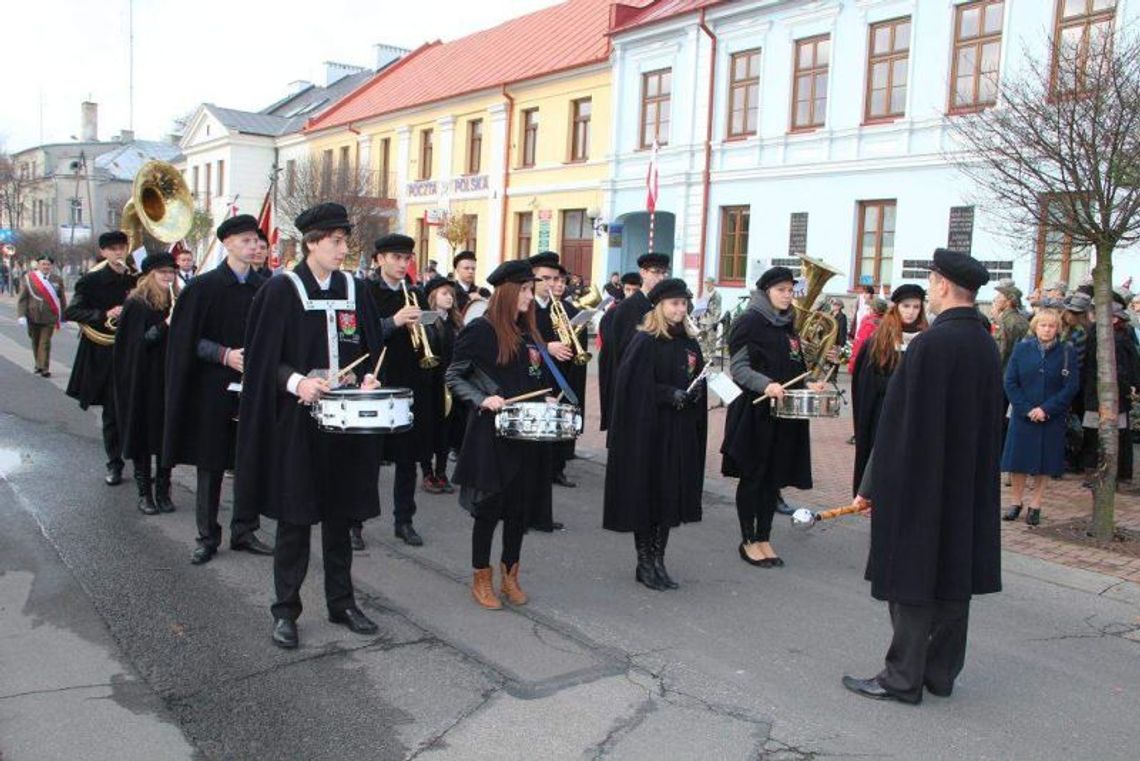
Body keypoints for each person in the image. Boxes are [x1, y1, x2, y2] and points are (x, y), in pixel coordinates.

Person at [843, 248, 1002, 705]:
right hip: (966, 482)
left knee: (911, 574)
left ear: (943, 285)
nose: (929, 290)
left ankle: (902, 677)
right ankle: (940, 672)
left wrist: (872, 487)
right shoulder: (984, 344)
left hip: (920, 480)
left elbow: (895, 427)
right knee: (953, 573)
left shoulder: (930, 345)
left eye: (932, 282)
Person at [235, 202, 384, 650]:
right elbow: (262, 358)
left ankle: (342, 602)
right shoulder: (281, 290)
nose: (342, 249)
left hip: (346, 425)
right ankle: (285, 610)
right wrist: (297, 382)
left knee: (341, 516)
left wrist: (370, 377)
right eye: (335, 242)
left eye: (344, 242)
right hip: (298, 423)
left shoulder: (355, 289)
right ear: (312, 243)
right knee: (295, 520)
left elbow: (370, 347)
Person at [445, 259, 555, 610]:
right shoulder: (481, 330)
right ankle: (481, 577)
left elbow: (534, 378)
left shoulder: (529, 332)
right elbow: (454, 376)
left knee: (518, 510)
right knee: (489, 509)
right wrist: (482, 399)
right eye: (524, 290)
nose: (529, 296)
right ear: (507, 292)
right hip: (491, 435)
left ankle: (510, 576)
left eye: (530, 290)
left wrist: (546, 398)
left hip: (526, 434)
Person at [163, 214, 273, 565]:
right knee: (210, 463)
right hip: (212, 389)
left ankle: (245, 529)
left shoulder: (266, 287)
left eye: (255, 241)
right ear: (227, 244)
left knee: (249, 460)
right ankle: (207, 536)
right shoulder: (203, 287)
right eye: (245, 241)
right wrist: (224, 355)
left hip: (253, 389)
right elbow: (184, 340)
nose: (253, 247)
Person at [721, 266, 828, 568]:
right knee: (753, 478)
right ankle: (748, 540)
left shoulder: (787, 325)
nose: (787, 296)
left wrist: (808, 384)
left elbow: (794, 367)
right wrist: (765, 384)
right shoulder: (748, 322)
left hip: (783, 414)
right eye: (781, 290)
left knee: (773, 480)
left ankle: (764, 537)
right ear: (766, 291)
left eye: (790, 290)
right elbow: (739, 368)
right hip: (754, 412)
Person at [604, 278, 707, 590]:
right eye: (674, 304)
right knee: (648, 495)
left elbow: (694, 376)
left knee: (669, 497)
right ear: (660, 307)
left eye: (684, 303)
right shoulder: (646, 340)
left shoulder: (689, 342)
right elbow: (632, 385)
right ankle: (644, 562)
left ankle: (659, 560)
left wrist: (695, 391)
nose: (680, 309)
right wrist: (668, 394)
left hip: (679, 431)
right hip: (650, 432)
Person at [366, 233, 435, 548]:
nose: (402, 264)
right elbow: (364, 335)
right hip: (379, 380)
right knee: (368, 457)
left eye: (406, 258)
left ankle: (404, 520)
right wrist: (394, 321)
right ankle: (355, 522)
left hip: (410, 380)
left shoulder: (416, 293)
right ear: (380, 259)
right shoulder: (366, 292)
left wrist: (427, 326)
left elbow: (428, 337)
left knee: (408, 458)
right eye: (395, 258)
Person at [65, 231, 138, 486]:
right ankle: (114, 463)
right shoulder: (91, 280)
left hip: (134, 350)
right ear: (104, 252)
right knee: (112, 411)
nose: (119, 253)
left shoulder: (136, 278)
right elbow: (72, 311)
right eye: (113, 249)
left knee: (136, 407)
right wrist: (105, 313)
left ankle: (140, 462)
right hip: (105, 351)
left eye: (122, 248)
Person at [1001, 309, 1080, 526]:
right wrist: (1026, 409)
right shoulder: (1021, 349)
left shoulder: (1066, 352)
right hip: (1023, 415)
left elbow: (1071, 386)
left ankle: (1036, 504)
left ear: (1058, 329)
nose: (1046, 329)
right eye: (1043, 325)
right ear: (1035, 327)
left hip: (1051, 416)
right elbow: (1010, 381)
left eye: (1051, 326)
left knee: (1045, 462)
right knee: (1018, 461)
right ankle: (1015, 502)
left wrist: (1046, 409)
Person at [113, 253, 179, 515]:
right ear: (150, 275)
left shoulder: (175, 300)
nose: (168, 277)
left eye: (171, 272)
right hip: (143, 379)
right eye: (163, 272)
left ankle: (163, 490)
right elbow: (138, 344)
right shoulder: (136, 304)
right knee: (142, 434)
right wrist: (167, 324)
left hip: (167, 377)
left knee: (165, 435)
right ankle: (145, 494)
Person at [850, 285, 927, 495]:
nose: (911, 312)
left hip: (916, 414)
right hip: (884, 412)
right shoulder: (880, 339)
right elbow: (867, 383)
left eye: (916, 307)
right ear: (896, 307)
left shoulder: (926, 339)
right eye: (906, 306)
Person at [598, 254, 669, 432]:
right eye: (656, 272)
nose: (661, 277)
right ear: (643, 273)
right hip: (635, 385)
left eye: (664, 273)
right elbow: (624, 353)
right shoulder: (628, 307)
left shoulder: (662, 305)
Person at [530, 251, 577, 495]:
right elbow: (518, 339)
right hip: (534, 373)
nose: (551, 284)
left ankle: (555, 468)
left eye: (555, 279)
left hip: (557, 372)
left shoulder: (558, 307)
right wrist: (546, 346)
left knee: (556, 421)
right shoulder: (525, 306)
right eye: (545, 279)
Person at [1080, 299, 1140, 486]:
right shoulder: (1101, 335)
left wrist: (1128, 388)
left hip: (1109, 395)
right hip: (1101, 393)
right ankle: (1107, 473)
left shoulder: (1116, 339)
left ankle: (1106, 474)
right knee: (1102, 434)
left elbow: (1123, 368)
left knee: (1106, 435)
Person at [420, 276, 462, 494]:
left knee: (446, 428)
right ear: (433, 296)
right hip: (429, 382)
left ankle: (442, 472)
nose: (449, 298)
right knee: (428, 428)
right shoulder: (426, 319)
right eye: (444, 294)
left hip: (449, 381)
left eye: (451, 295)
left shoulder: (455, 322)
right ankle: (427, 473)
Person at [16, 254, 66, 377]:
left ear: (51, 266)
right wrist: (21, 315)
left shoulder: (57, 279)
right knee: (35, 341)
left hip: (50, 316)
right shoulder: (29, 278)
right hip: (33, 315)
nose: (46, 266)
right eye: (43, 264)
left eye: (48, 264)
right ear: (38, 265)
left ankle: (44, 368)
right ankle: (38, 364)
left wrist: (64, 316)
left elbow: (62, 299)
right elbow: (23, 298)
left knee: (45, 342)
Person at [847, 297, 888, 375]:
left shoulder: (868, 323)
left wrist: (853, 363)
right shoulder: (887, 323)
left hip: (866, 359)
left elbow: (860, 343)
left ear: (873, 309)